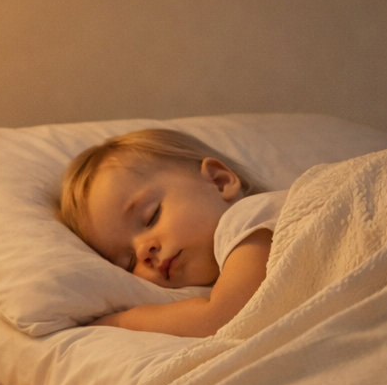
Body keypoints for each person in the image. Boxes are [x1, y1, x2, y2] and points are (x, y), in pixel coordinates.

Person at [60, 129, 287, 338]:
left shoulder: (249, 219)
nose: (142, 251)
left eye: (151, 217)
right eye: (128, 262)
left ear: (219, 181)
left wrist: (120, 322)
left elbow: (222, 318)